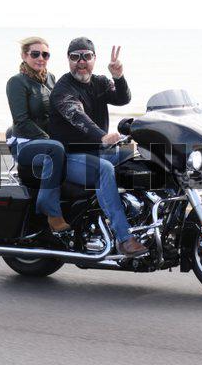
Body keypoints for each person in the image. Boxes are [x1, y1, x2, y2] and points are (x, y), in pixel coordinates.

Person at [49, 37, 147, 256]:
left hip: (96, 151)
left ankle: (144, 216)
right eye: (75, 57)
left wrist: (118, 76)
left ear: (94, 58)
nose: (81, 61)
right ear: (68, 59)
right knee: (104, 169)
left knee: (137, 156)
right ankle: (124, 238)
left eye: (86, 56)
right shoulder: (63, 89)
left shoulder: (100, 82)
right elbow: (77, 115)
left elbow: (122, 98)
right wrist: (102, 136)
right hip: (68, 157)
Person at [6, 36, 70, 233]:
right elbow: (21, 121)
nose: (40, 58)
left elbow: (59, 111)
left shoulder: (51, 78)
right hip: (25, 142)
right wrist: (50, 140)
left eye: (45, 54)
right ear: (24, 56)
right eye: (35, 54)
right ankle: (51, 211)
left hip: (48, 141)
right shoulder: (17, 82)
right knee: (56, 150)